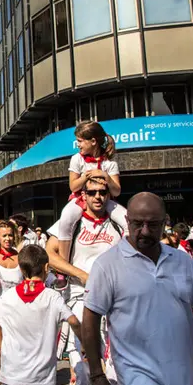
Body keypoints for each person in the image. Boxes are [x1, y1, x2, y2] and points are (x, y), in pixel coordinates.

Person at [83, 192, 193, 385]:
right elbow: (90, 317)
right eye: (137, 223)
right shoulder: (107, 265)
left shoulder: (183, 262)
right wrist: (97, 374)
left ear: (163, 223)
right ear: (127, 221)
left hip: (185, 384)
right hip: (137, 383)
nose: (144, 231)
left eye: (152, 225)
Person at [44, 176, 123, 385]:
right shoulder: (72, 222)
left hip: (115, 301)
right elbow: (49, 255)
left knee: (116, 367)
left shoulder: (118, 221)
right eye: (92, 192)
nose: (98, 196)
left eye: (102, 192)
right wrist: (83, 275)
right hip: (81, 298)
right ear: (83, 195)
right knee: (84, 370)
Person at [0, 245, 81, 385]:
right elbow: (74, 321)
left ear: (21, 270)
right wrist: (83, 341)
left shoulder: (9, 296)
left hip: (12, 369)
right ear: (47, 267)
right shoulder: (52, 297)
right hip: (42, 374)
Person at [56, 121, 128, 287]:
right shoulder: (76, 159)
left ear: (93, 141)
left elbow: (116, 191)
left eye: (81, 141)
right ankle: (63, 270)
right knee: (66, 218)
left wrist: (105, 176)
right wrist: (87, 176)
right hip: (80, 199)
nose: (78, 144)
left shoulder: (110, 164)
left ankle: (126, 261)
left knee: (127, 220)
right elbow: (73, 186)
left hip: (106, 200)